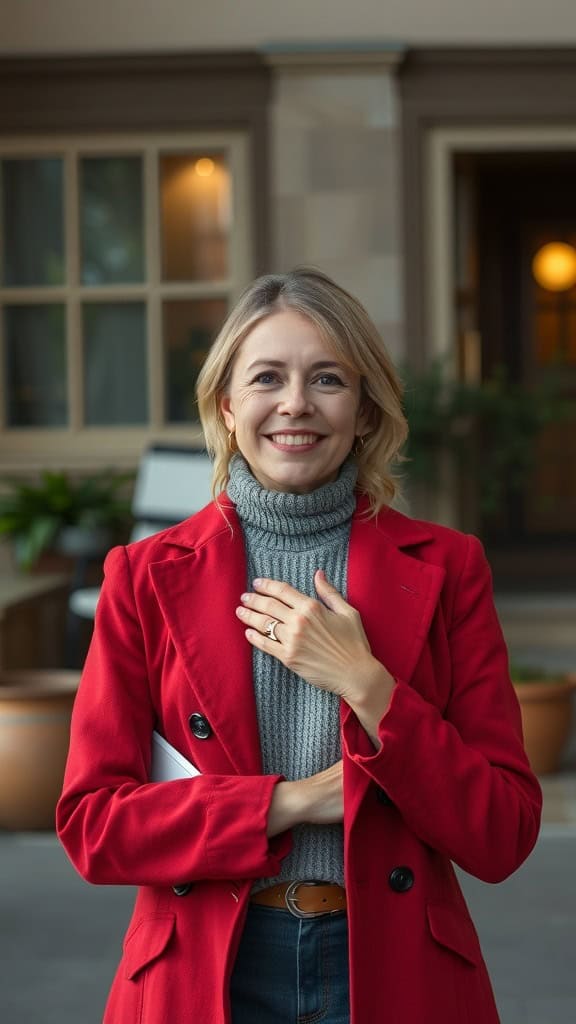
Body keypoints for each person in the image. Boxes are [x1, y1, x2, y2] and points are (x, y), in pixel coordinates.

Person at [57, 268, 542, 1024]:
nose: (295, 404)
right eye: (266, 377)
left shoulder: (449, 571)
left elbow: (502, 833)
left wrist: (368, 685)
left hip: (389, 966)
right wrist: (285, 805)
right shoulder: (145, 577)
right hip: (207, 970)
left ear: (366, 409)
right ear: (227, 403)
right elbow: (95, 826)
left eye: (327, 379)